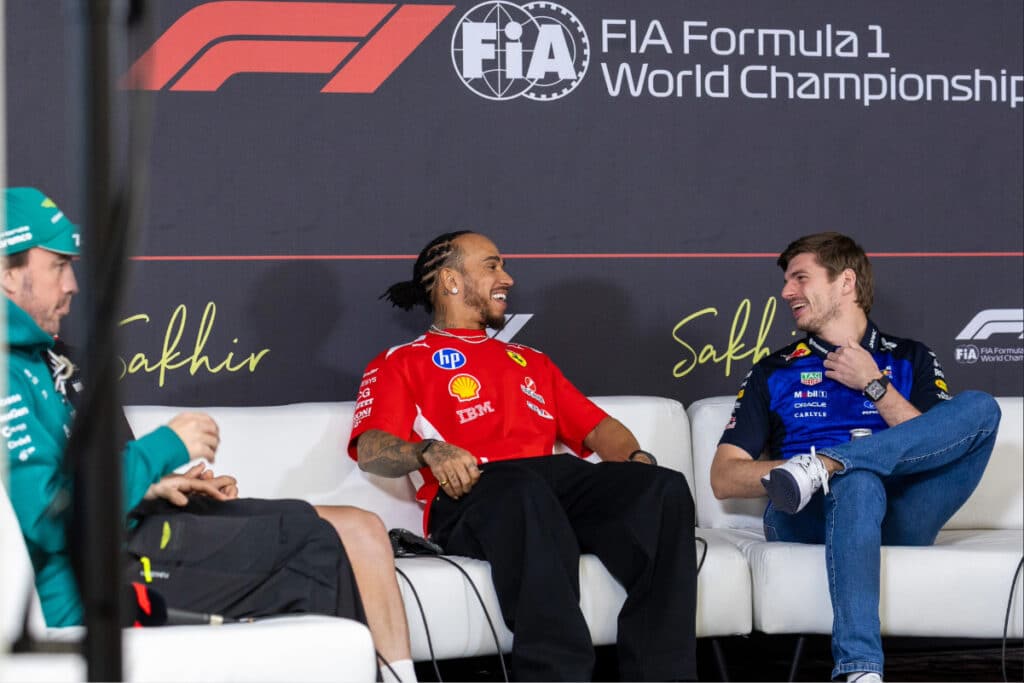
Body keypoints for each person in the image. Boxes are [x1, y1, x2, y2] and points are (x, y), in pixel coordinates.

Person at [2, 187, 415, 683]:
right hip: (88, 580)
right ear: (9, 272)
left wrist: (159, 480)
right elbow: (46, 516)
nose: (71, 284)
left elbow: (77, 479)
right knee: (311, 546)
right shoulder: (10, 370)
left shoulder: (37, 359)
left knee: (313, 534)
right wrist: (166, 447)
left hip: (117, 539)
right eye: (57, 266)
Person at [348, 230, 697, 681]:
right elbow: (372, 450)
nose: (507, 278)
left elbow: (599, 428)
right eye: (492, 265)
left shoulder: (530, 360)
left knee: (663, 488)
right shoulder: (400, 361)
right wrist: (430, 451)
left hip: (552, 489)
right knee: (524, 492)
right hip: (474, 493)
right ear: (451, 281)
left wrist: (635, 459)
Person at [710, 231, 1001, 682]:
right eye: (787, 281)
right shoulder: (776, 369)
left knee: (982, 406)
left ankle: (828, 463)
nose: (787, 292)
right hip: (804, 511)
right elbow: (724, 477)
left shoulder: (911, 358)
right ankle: (859, 671)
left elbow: (940, 444)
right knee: (858, 484)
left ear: (845, 283)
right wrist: (800, 473)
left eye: (800, 278)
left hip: (903, 508)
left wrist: (876, 387)